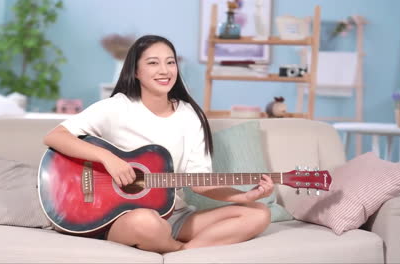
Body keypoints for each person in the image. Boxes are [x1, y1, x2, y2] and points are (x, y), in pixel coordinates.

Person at [43, 35, 273, 253]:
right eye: (153, 63)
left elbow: (200, 182)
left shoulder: (190, 115)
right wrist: (108, 159)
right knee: (147, 222)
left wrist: (243, 196)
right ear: (136, 71)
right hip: (123, 218)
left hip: (174, 216)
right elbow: (55, 136)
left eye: (170, 62)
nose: (164, 71)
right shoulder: (117, 107)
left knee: (259, 214)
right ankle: (175, 248)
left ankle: (181, 252)